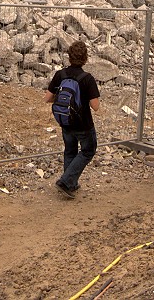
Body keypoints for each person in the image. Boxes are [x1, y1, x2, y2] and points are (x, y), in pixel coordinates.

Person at [45, 41, 101, 199]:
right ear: (85, 58)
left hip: (65, 122)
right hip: (83, 124)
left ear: (69, 56)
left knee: (70, 150)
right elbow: (95, 106)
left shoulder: (60, 75)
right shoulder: (87, 78)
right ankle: (65, 182)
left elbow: (48, 98)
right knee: (88, 150)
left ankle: (71, 183)